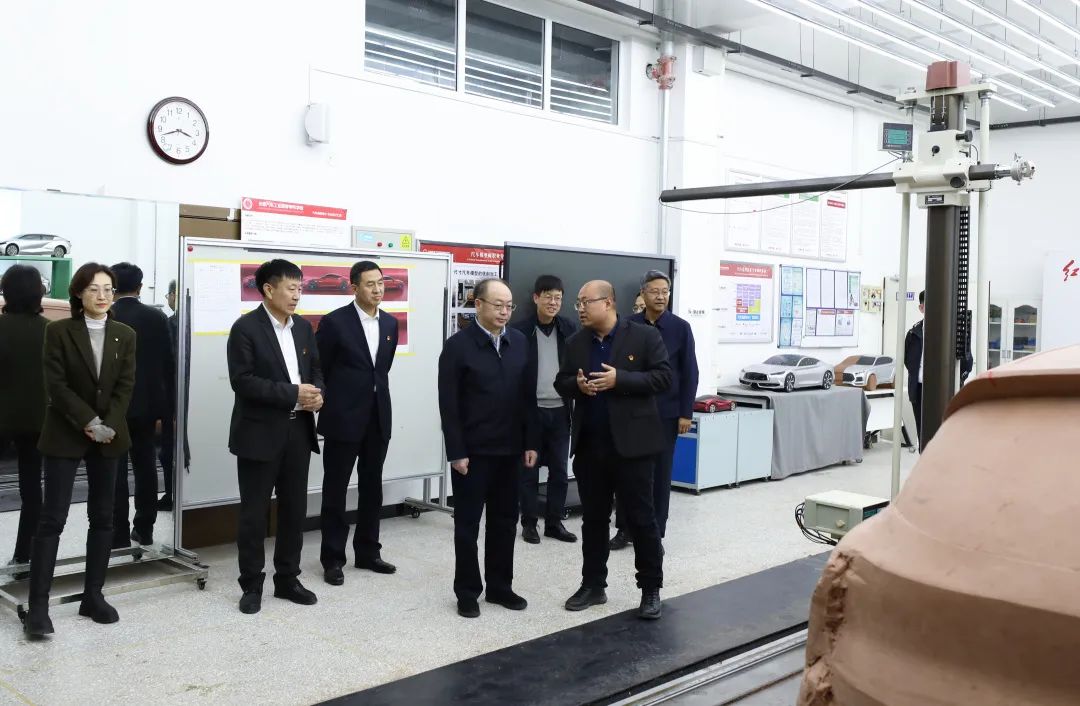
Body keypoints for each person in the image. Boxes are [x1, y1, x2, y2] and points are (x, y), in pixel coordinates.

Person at [24, 263, 136, 637]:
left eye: (108, 289)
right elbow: (56, 385)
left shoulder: (125, 334)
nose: (102, 296)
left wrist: (109, 424)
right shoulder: (58, 331)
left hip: (110, 436)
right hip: (66, 433)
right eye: (93, 289)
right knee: (52, 518)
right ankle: (38, 608)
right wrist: (89, 421)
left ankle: (93, 596)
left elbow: (125, 386)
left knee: (103, 517)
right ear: (78, 293)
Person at [554, 280, 671, 620]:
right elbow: (561, 381)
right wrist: (575, 385)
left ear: (607, 303)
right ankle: (593, 585)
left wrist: (621, 380)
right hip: (591, 447)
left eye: (585, 302)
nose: (579, 308)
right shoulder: (576, 342)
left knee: (641, 519)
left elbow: (663, 378)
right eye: (578, 302)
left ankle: (650, 589)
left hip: (634, 448)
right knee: (593, 520)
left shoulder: (644, 336)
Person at [226, 259, 324, 615]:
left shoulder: (303, 328)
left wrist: (318, 395)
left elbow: (316, 370)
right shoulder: (245, 328)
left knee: (294, 509)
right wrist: (294, 393)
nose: (297, 295)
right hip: (259, 432)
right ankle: (251, 584)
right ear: (268, 289)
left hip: (298, 430)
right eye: (291, 288)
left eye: (300, 288)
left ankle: (287, 579)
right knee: (254, 513)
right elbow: (243, 381)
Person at [438, 278, 538, 619]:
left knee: (505, 522)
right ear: (477, 304)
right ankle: (467, 591)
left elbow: (528, 397)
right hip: (473, 453)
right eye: (498, 305)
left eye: (509, 306)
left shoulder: (520, 342)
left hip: (511, 451)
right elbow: (449, 405)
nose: (504, 311)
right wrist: (456, 451)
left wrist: (530, 442)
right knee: (467, 525)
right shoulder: (458, 346)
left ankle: (499, 586)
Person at [316, 261, 399, 586]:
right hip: (343, 417)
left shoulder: (390, 323)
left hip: (378, 416)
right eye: (369, 284)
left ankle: (368, 552)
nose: (377, 290)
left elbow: (382, 369)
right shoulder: (335, 322)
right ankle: (332, 558)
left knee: (372, 486)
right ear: (354, 287)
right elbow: (321, 368)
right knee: (335, 489)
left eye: (380, 283)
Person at [611, 270, 699, 549]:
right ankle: (624, 529)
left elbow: (690, 372)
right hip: (632, 412)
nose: (661, 297)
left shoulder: (680, 328)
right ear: (643, 294)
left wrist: (686, 413)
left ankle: (655, 534)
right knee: (628, 473)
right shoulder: (627, 324)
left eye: (665, 291)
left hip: (666, 413)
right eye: (655, 291)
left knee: (660, 476)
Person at [109, 263, 174, 548]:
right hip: (148, 406)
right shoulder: (156, 317)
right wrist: (167, 408)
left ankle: (118, 532)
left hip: (113, 407)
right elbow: (168, 365)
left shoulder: (107, 316)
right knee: (146, 466)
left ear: (112, 286)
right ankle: (144, 528)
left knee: (115, 470)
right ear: (139, 286)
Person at [510, 275, 577, 545]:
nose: (553, 302)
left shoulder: (569, 329)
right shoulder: (520, 331)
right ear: (536, 298)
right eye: (548, 296)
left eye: (558, 298)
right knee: (529, 469)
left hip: (561, 410)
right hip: (531, 411)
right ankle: (529, 523)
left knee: (560, 471)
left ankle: (554, 523)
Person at [0, 266, 49, 573]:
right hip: (37, 420)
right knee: (32, 490)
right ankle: (24, 555)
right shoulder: (51, 330)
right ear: (38, 293)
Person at [904, 290, 973, 447]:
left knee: (944, 436)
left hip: (944, 390)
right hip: (919, 390)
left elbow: (967, 363)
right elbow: (908, 361)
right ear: (921, 308)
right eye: (929, 306)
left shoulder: (952, 332)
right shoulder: (913, 333)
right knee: (923, 436)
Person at [157, 279, 190, 511]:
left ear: (173, 295)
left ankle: (172, 495)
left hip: (174, 397)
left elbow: (166, 365)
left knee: (169, 450)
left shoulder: (170, 324)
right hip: (184, 397)